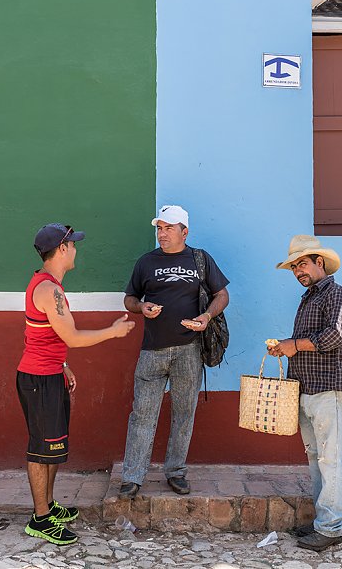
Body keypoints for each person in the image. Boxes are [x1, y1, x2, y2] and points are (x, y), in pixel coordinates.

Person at [17, 223, 135, 545]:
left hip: (49, 373)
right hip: (39, 380)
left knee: (53, 448)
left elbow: (40, 335)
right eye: (73, 244)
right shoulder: (49, 290)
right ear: (62, 249)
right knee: (42, 451)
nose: (77, 249)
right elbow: (70, 335)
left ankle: (48, 505)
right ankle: (40, 519)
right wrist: (111, 332)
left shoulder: (49, 285)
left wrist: (62, 364)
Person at [119, 205, 229, 498]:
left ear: (184, 232)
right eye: (159, 228)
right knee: (142, 414)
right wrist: (141, 307)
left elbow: (222, 294)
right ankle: (132, 477)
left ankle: (176, 472)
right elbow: (129, 298)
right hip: (152, 351)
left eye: (169, 228)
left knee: (184, 414)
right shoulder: (146, 262)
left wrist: (206, 317)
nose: (162, 234)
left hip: (188, 350)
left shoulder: (200, 259)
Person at [268, 234, 342, 552]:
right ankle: (324, 522)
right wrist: (287, 348)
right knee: (318, 459)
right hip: (308, 391)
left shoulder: (337, 295)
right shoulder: (308, 298)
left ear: (320, 262)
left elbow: (336, 335)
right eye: (294, 267)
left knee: (330, 460)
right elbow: (310, 342)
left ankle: (331, 528)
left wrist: (294, 345)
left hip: (330, 390)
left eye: (302, 264)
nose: (297, 271)